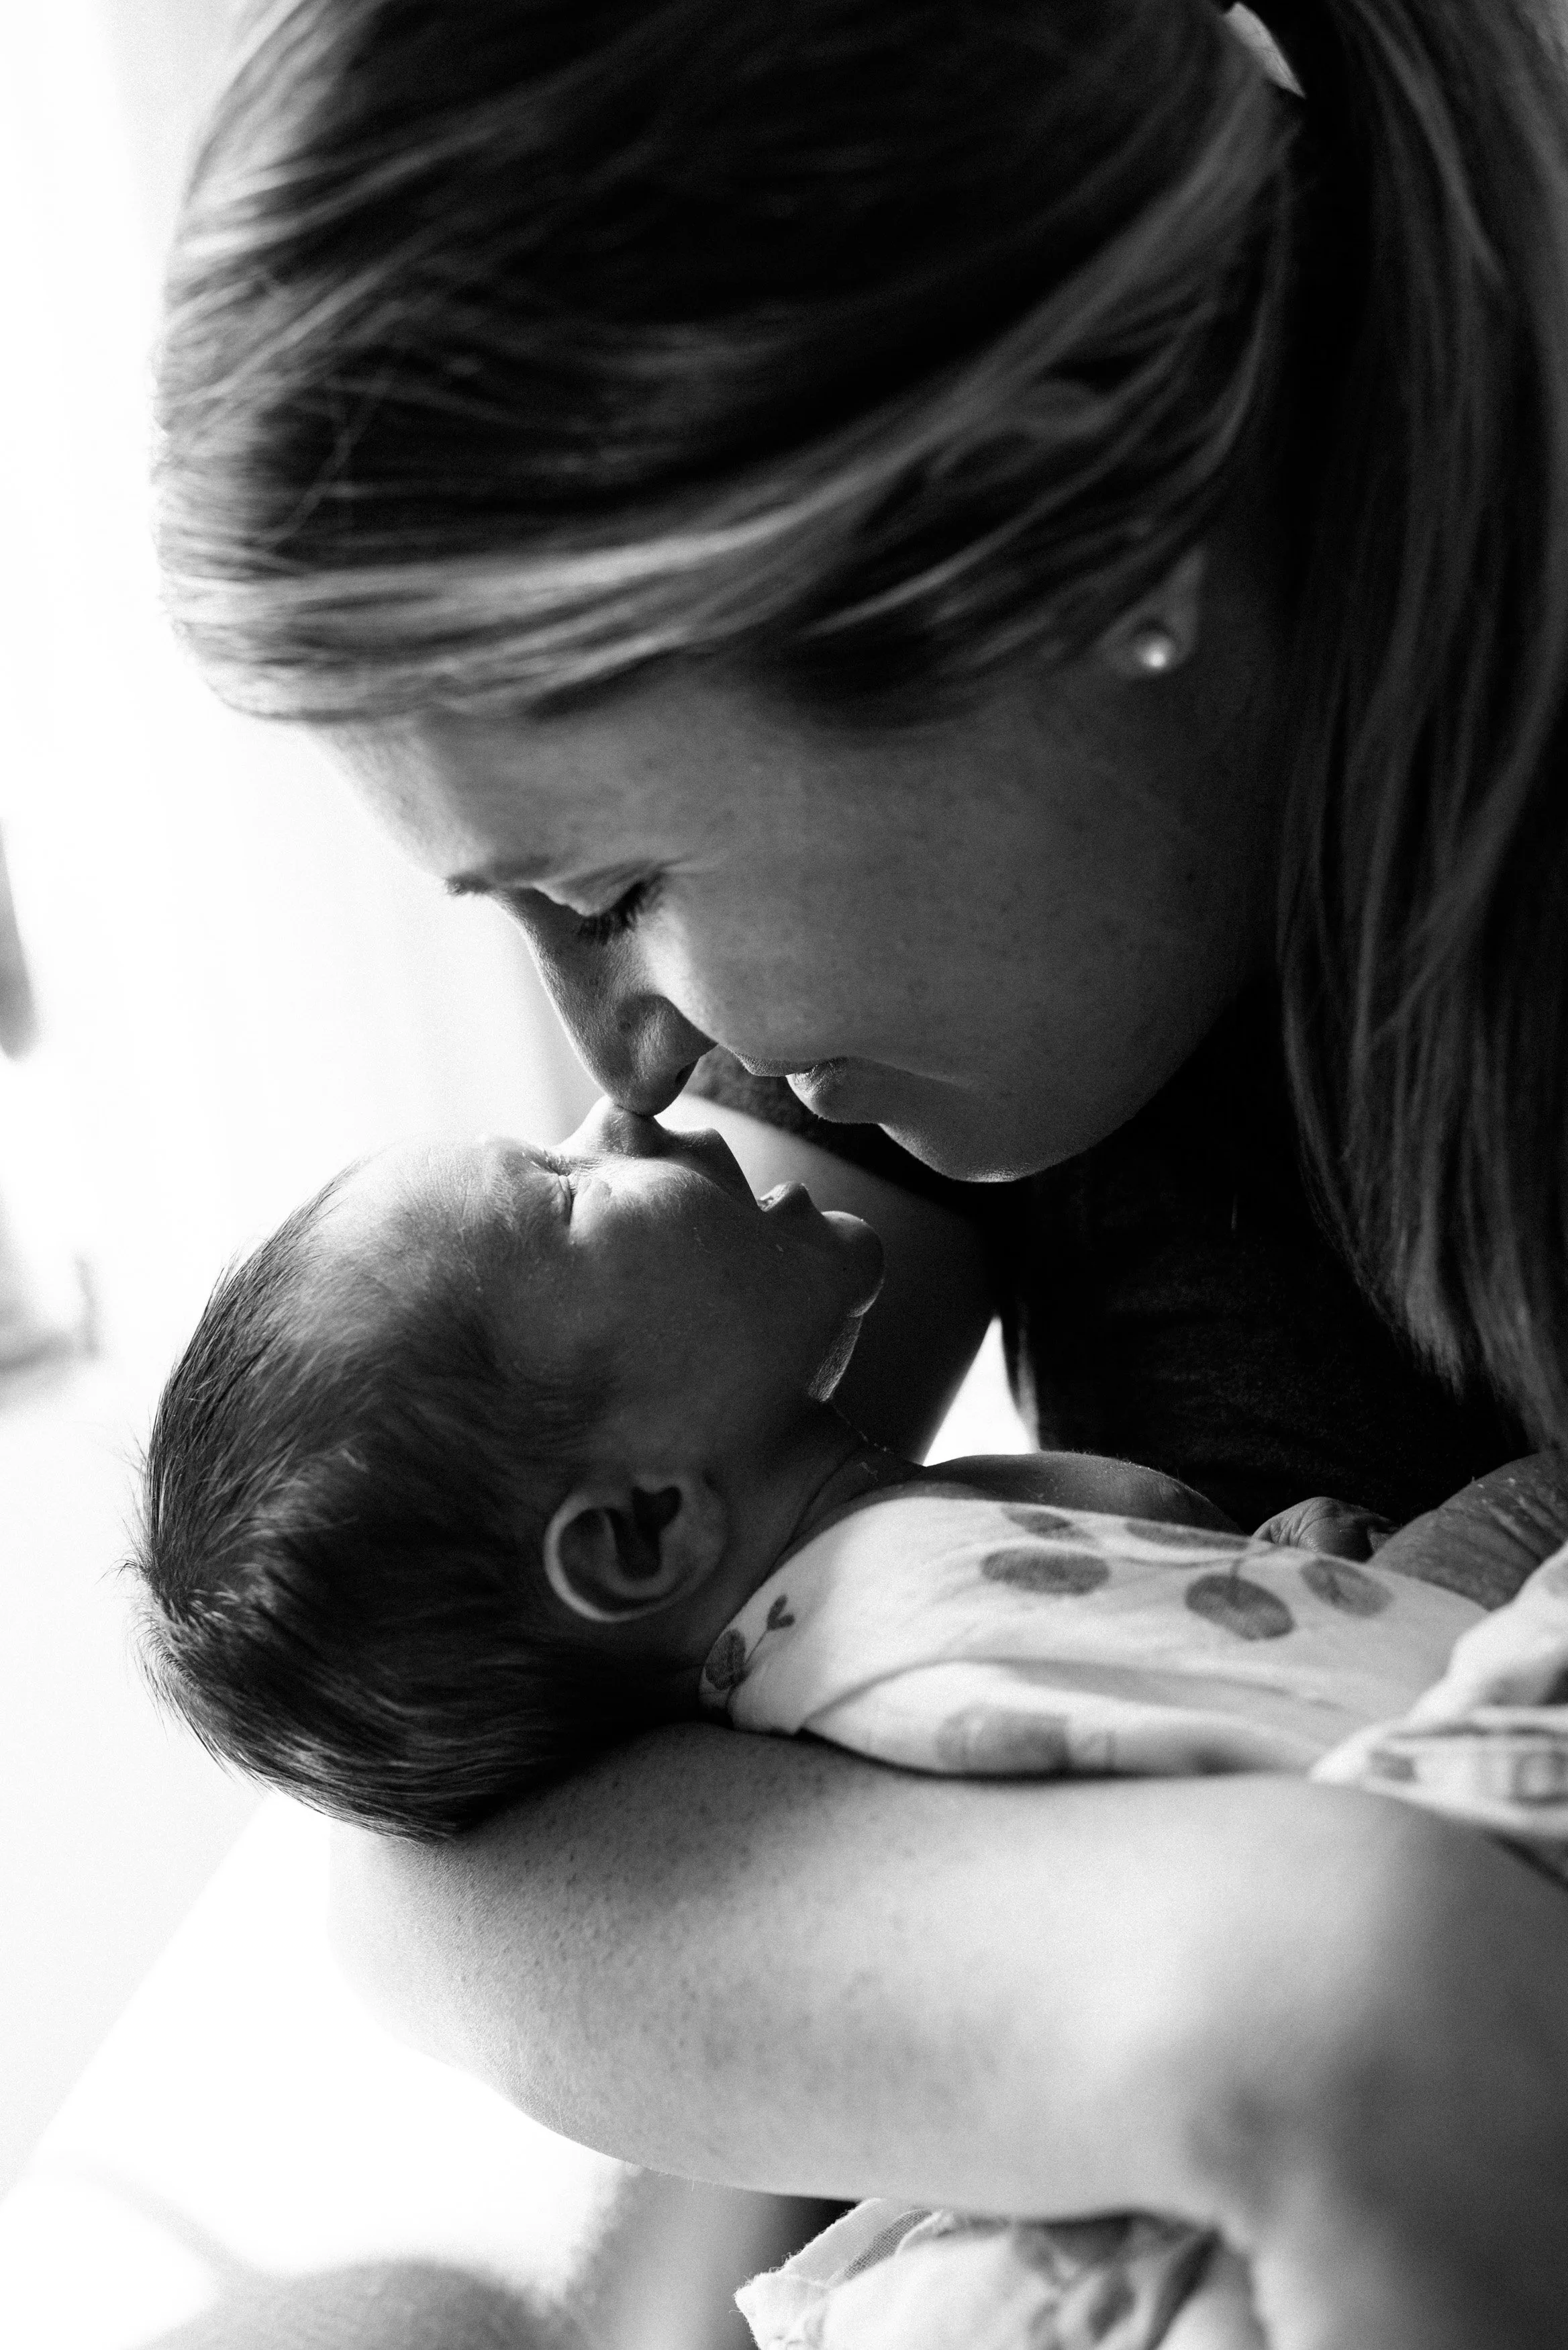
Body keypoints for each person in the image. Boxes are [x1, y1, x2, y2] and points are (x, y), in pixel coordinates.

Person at [152, 1, 1568, 2341]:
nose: (625, 1067)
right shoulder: (890, 1073)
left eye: (602, 885)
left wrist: (1340, 2012)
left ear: (1070, 528)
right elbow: (440, 1851)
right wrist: (1289, 1994)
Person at [129, 1101, 1568, 2350]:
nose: (626, 1111)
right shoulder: (882, 1645)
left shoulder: (899, 1593)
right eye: (563, 1196)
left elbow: (1193, 1679)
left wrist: (1296, 1574)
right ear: (637, 1530)